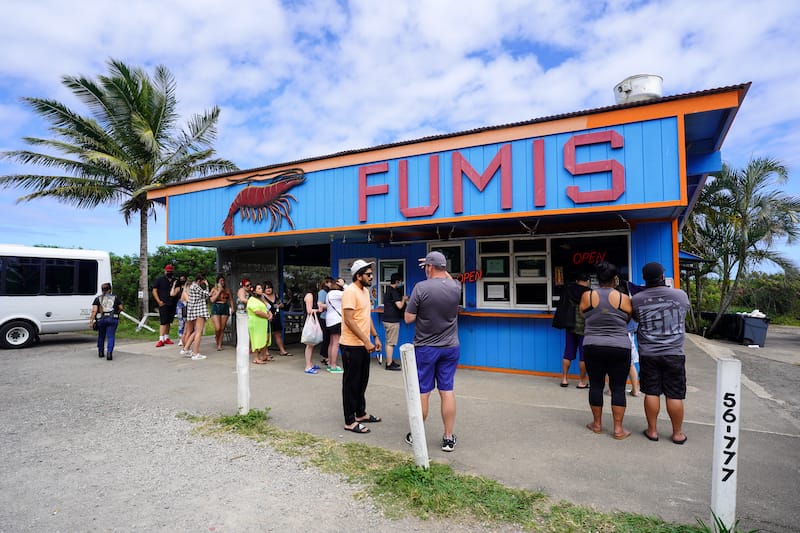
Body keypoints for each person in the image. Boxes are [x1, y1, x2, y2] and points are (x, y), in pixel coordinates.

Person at [404, 251, 462, 452]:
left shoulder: (420, 288)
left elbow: (408, 318)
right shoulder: (456, 287)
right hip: (450, 347)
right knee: (447, 392)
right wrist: (436, 265)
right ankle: (448, 438)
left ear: (429, 267)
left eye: (427, 266)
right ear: (444, 268)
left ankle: (417, 435)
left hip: (426, 348)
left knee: (423, 392)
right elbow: (447, 277)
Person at [632, 262, 691, 445]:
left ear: (644, 278)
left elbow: (635, 319)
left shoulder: (637, 299)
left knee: (651, 392)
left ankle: (652, 430)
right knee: (674, 394)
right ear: (663, 277)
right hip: (674, 353)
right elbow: (683, 314)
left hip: (648, 353)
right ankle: (678, 433)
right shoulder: (680, 295)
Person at [580, 261, 633, 440]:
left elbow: (584, 315)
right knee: (618, 387)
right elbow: (627, 318)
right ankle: (618, 429)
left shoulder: (587, 296)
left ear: (597, 278)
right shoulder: (623, 298)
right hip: (619, 346)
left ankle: (596, 424)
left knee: (595, 384)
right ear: (615, 279)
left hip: (592, 345)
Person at [340, 260, 382, 434]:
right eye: (368, 274)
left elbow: (366, 316)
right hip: (351, 345)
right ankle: (350, 421)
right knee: (351, 383)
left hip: (363, 344)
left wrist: (375, 336)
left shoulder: (364, 292)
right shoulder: (350, 292)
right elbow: (349, 320)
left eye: (372, 274)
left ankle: (360, 413)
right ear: (358, 276)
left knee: (362, 381)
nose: (372, 277)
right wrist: (365, 340)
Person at [554, 272, 590, 388]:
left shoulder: (568, 290)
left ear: (576, 280)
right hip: (584, 326)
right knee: (583, 356)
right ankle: (582, 381)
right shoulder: (589, 292)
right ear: (588, 281)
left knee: (568, 353)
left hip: (570, 325)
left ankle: (564, 379)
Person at [89, 282, 123, 361]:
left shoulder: (98, 298)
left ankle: (101, 352)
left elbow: (94, 311)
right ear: (110, 290)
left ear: (102, 290)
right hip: (112, 319)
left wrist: (91, 321)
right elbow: (121, 308)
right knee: (111, 336)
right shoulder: (115, 298)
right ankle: (109, 353)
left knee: (101, 336)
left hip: (101, 319)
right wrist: (117, 312)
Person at [382, 272, 408, 371]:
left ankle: (390, 360)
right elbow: (399, 306)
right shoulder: (394, 292)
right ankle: (389, 364)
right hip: (392, 320)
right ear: (397, 281)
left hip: (386, 319)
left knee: (389, 341)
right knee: (390, 343)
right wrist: (404, 299)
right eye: (400, 281)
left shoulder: (387, 290)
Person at [151, 264, 181, 347]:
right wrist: (159, 301)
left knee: (168, 321)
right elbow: (154, 290)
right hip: (163, 303)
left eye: (170, 271)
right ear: (165, 271)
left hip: (172, 303)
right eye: (168, 271)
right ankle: (161, 339)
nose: (169, 272)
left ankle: (166, 337)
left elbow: (177, 291)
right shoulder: (159, 280)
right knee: (163, 321)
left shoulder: (175, 280)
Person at [185, 273, 211, 360]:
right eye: (202, 281)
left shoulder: (193, 286)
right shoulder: (196, 286)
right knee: (199, 332)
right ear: (199, 281)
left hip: (194, 311)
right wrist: (207, 286)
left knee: (196, 331)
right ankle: (195, 353)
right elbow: (206, 295)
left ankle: (186, 348)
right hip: (199, 311)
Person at [263, 281, 291, 356]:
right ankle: (265, 352)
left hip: (276, 316)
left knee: (278, 334)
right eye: (266, 288)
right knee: (267, 335)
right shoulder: (262, 297)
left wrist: (280, 305)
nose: (268, 289)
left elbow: (281, 303)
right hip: (267, 317)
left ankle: (282, 350)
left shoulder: (276, 295)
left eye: (270, 288)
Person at [247, 283, 272, 364]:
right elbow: (257, 311)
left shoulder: (261, 299)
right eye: (259, 288)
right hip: (255, 323)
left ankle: (264, 356)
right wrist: (267, 316)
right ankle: (256, 358)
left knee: (264, 339)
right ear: (254, 291)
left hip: (263, 323)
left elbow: (267, 308)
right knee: (256, 340)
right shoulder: (251, 300)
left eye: (261, 288)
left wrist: (270, 314)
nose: (261, 289)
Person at [324, 278, 345, 373]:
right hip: (337, 320)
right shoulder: (337, 293)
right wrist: (344, 285)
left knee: (332, 343)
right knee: (336, 343)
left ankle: (329, 363)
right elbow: (351, 294)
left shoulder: (329, 294)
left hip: (329, 321)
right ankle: (333, 365)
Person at [209, 275, 234, 351]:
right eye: (220, 281)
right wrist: (219, 291)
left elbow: (231, 299)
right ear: (217, 282)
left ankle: (219, 344)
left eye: (223, 281)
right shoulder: (214, 289)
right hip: (216, 307)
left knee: (222, 328)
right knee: (218, 327)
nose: (222, 282)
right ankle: (217, 337)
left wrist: (232, 307)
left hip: (224, 307)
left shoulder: (227, 289)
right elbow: (212, 300)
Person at [303, 281, 322, 374]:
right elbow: (309, 310)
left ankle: (310, 363)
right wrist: (319, 309)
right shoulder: (309, 295)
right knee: (309, 344)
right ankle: (307, 366)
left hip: (312, 320)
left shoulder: (311, 295)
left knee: (311, 344)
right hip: (310, 321)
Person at [317, 277, 333, 365]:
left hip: (330, 317)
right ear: (326, 283)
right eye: (330, 282)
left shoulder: (330, 292)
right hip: (324, 317)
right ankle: (325, 356)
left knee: (330, 338)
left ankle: (327, 356)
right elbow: (320, 304)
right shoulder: (322, 292)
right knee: (326, 337)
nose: (331, 284)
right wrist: (331, 305)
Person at [175, 275, 188, 346]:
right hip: (180, 305)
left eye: (184, 279)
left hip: (187, 304)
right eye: (181, 279)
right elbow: (172, 294)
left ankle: (186, 337)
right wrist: (174, 285)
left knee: (187, 322)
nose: (182, 280)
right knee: (181, 322)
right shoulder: (178, 288)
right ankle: (181, 338)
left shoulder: (188, 287)